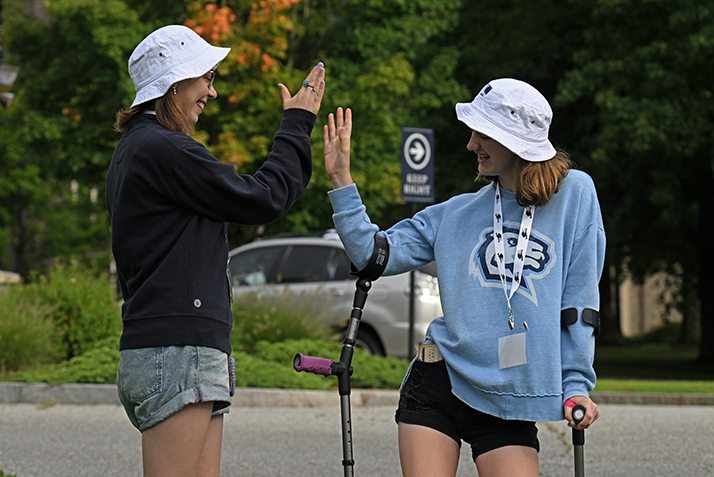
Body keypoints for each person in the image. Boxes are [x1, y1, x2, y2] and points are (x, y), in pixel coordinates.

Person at [323, 78, 605, 477]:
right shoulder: (454, 214)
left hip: (510, 394)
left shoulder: (575, 195)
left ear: (516, 140)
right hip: (437, 382)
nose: (471, 144)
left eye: (482, 133)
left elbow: (580, 299)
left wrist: (576, 383)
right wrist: (340, 181)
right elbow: (373, 256)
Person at [105, 25, 325, 477]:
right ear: (174, 83)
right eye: (205, 77)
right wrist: (297, 123)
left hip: (179, 348)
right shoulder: (165, 149)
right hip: (178, 350)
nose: (213, 90)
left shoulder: (136, 149)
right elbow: (263, 196)